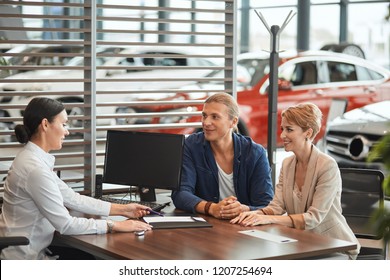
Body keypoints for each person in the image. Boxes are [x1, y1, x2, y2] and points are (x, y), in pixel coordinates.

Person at [0, 97, 152, 260]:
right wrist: (115, 225)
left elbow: (73, 198)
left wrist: (123, 209)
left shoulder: (31, 159)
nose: (67, 131)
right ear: (45, 124)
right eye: (63, 124)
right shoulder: (35, 169)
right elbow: (66, 225)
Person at [231, 103, 360, 259]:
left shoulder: (327, 166)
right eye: (283, 129)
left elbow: (313, 219)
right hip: (301, 243)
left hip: (334, 246)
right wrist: (253, 214)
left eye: (289, 129)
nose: (282, 135)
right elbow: (277, 207)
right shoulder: (287, 164)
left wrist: (267, 218)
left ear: (308, 132)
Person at [171, 92, 273, 220]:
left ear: (233, 121)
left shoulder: (255, 153)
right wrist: (212, 208)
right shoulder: (191, 146)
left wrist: (243, 209)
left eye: (215, 117)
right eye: (204, 115)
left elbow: (266, 205)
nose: (206, 122)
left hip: (244, 226)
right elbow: (181, 194)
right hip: (207, 225)